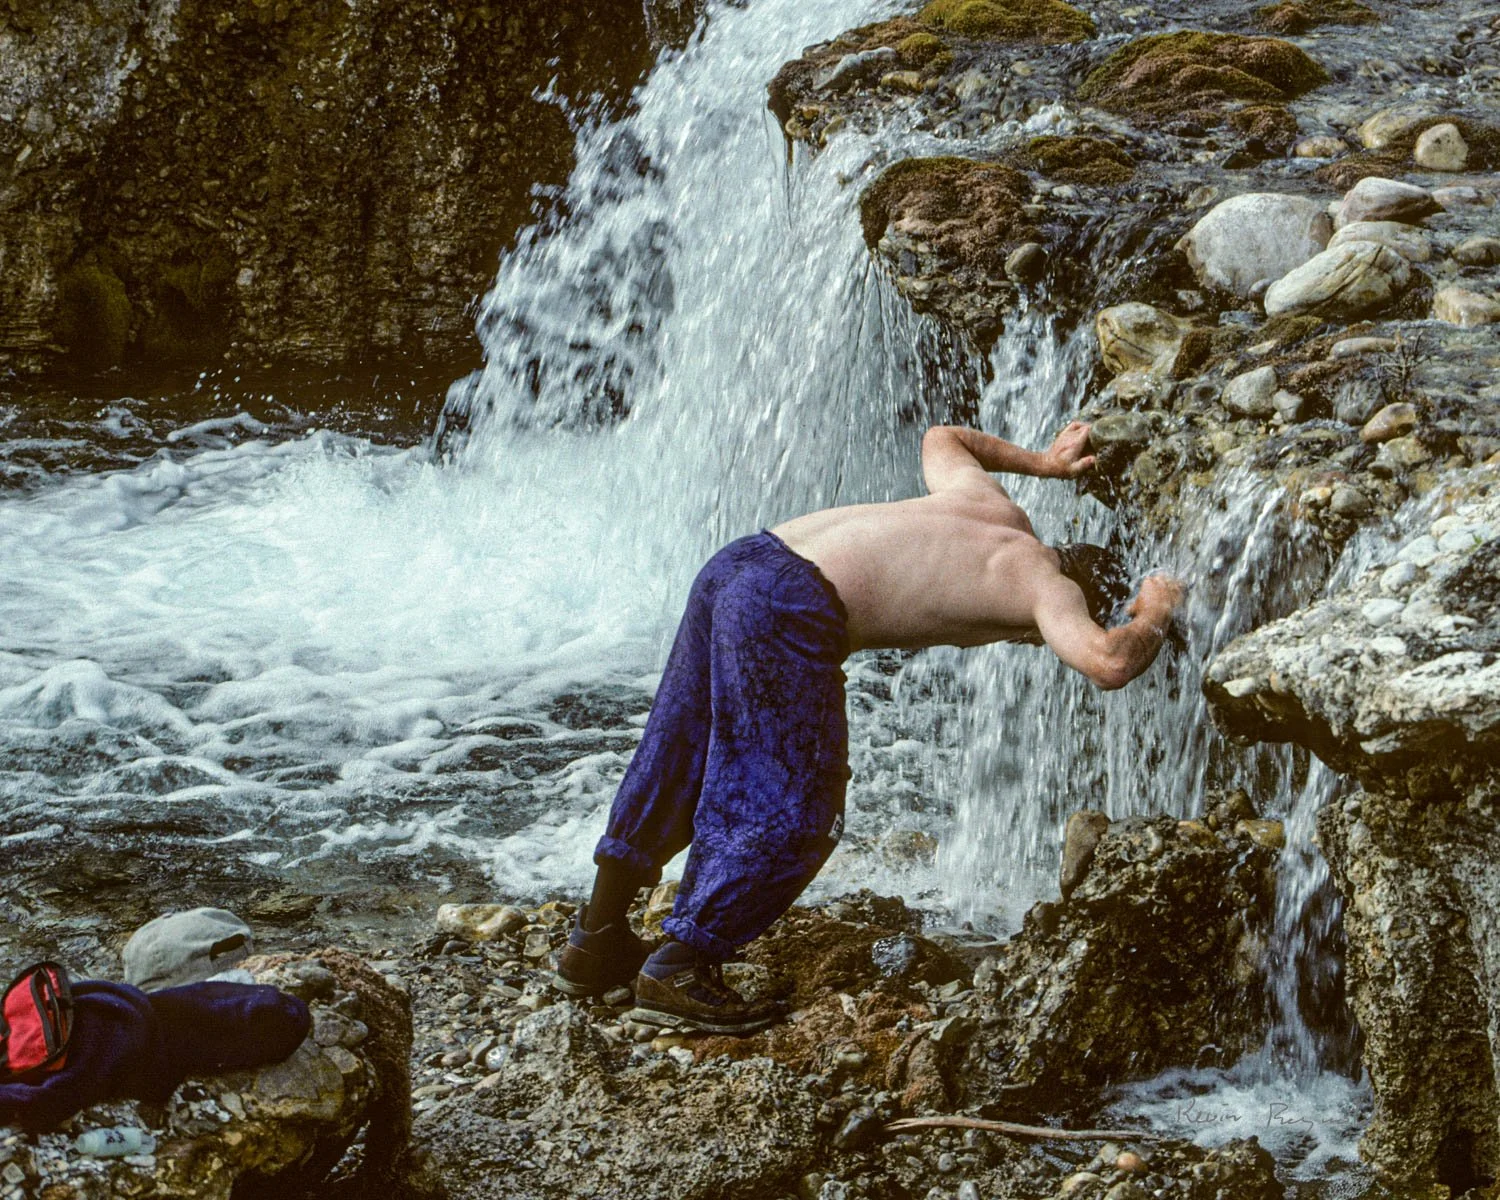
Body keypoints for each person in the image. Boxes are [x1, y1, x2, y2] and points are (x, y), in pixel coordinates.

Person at [553, 421, 1185, 1033]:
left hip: (740, 562)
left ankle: (596, 940)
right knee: (799, 809)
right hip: (791, 604)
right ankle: (681, 968)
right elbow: (1108, 661)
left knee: (679, 751)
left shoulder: (990, 504)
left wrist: (1047, 463)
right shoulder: (1047, 588)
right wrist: (1155, 610)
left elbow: (944, 437)